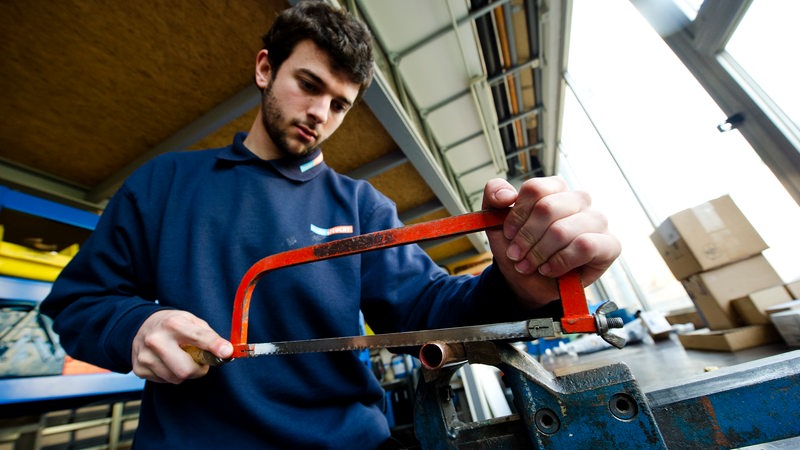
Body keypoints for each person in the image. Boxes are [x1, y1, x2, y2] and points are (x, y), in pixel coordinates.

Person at [41, 1, 620, 449]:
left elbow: (427, 312)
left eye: (341, 104)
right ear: (266, 68)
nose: (320, 114)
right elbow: (77, 304)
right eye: (310, 85)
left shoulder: (362, 206)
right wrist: (136, 326)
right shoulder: (165, 182)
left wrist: (519, 284)